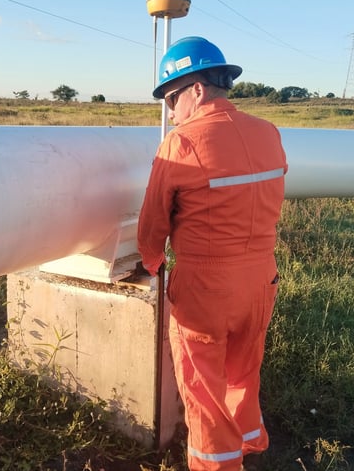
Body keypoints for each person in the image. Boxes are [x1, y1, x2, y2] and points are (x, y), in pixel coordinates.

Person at [137, 36, 288, 471]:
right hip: (261, 278)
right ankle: (249, 444)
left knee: (203, 387)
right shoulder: (268, 132)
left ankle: (216, 464)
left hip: (206, 286)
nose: (170, 112)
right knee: (244, 370)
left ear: (198, 89)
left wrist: (152, 263)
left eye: (171, 99)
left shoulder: (182, 143)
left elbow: (153, 223)